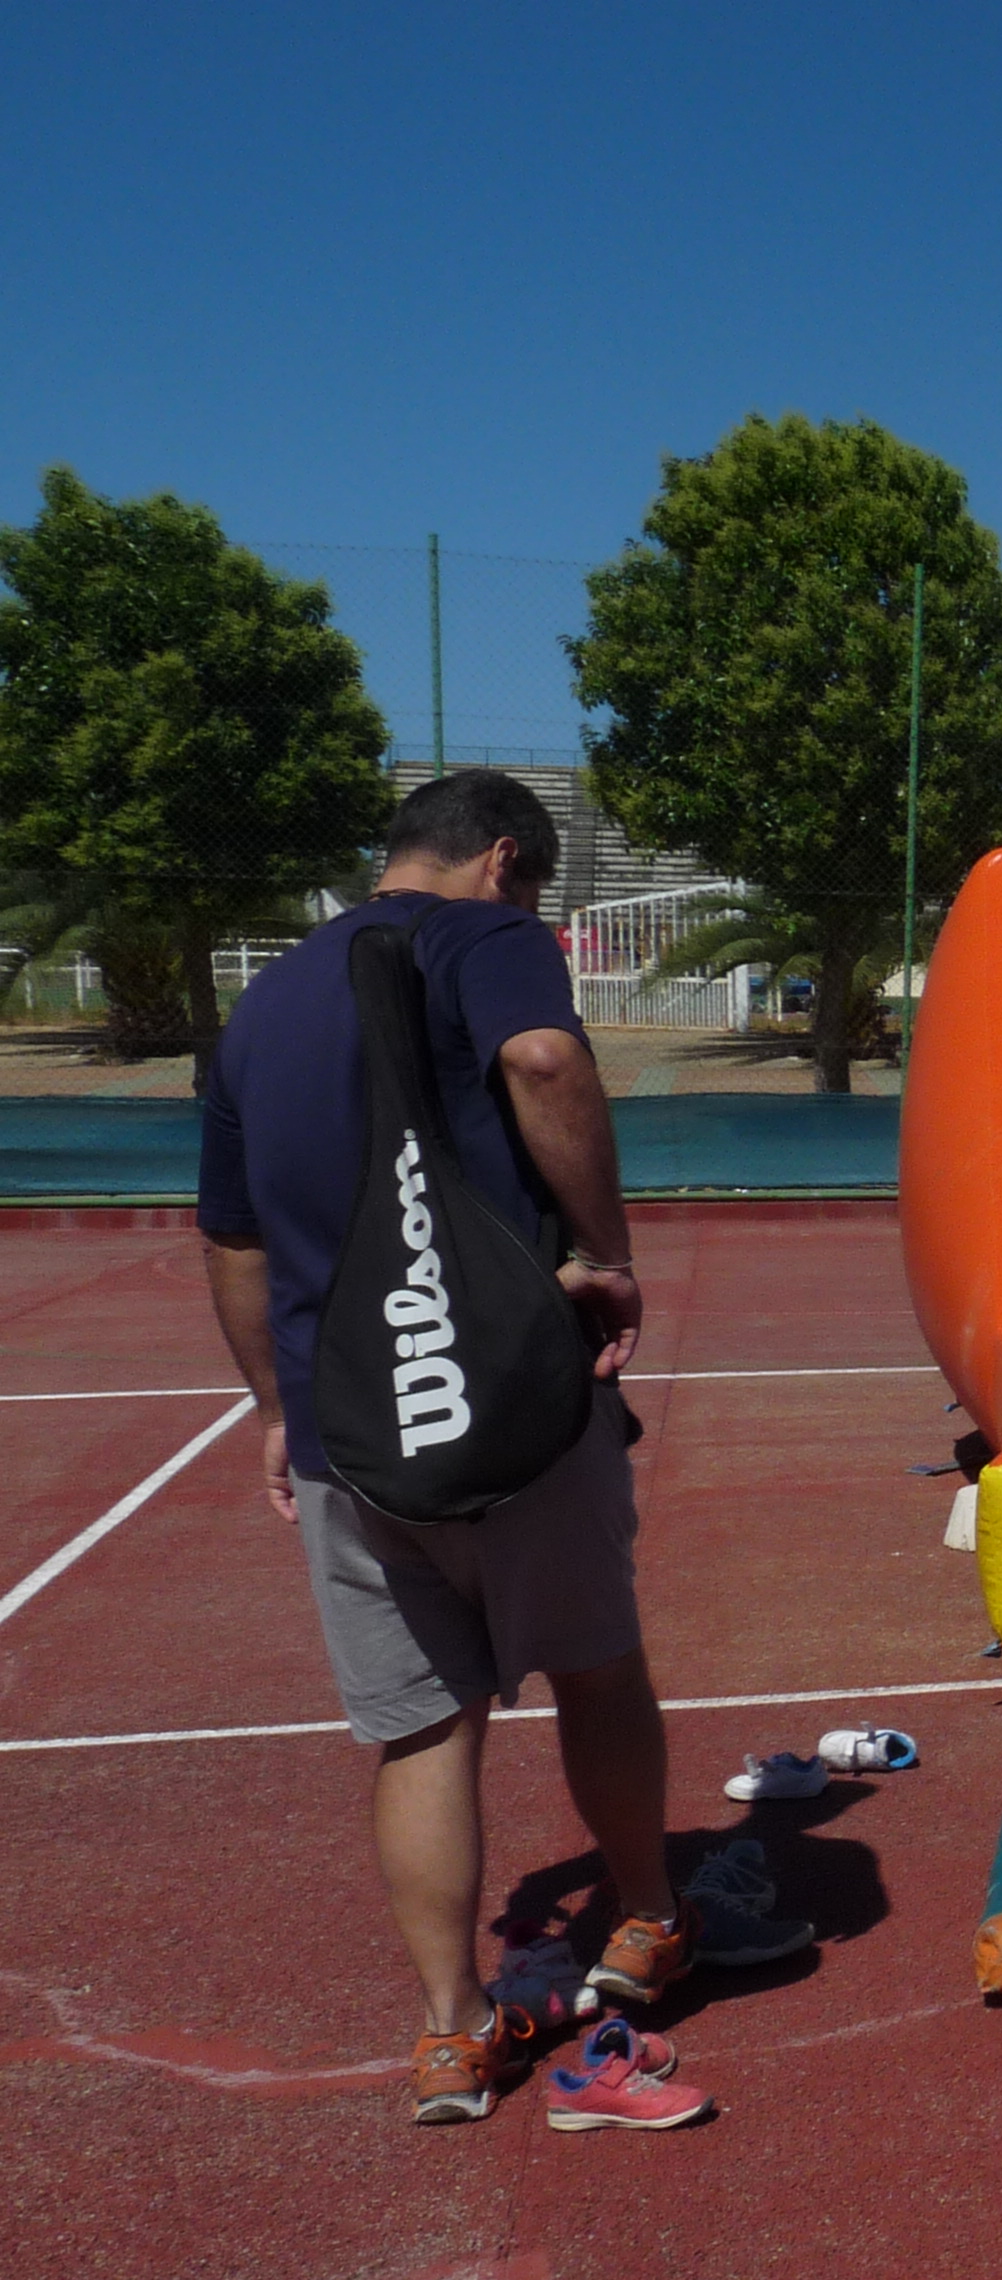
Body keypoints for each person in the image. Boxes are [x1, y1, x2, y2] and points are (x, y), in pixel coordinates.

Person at [197, 768, 731, 2130]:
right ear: (503, 860)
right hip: (509, 1396)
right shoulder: (483, 935)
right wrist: (604, 1251)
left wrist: (275, 1407)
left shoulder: (264, 1001)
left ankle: (450, 2033)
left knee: (423, 1727)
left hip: (351, 1427)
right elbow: (543, 1060)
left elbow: (235, 1240)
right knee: (598, 1669)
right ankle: (647, 1924)